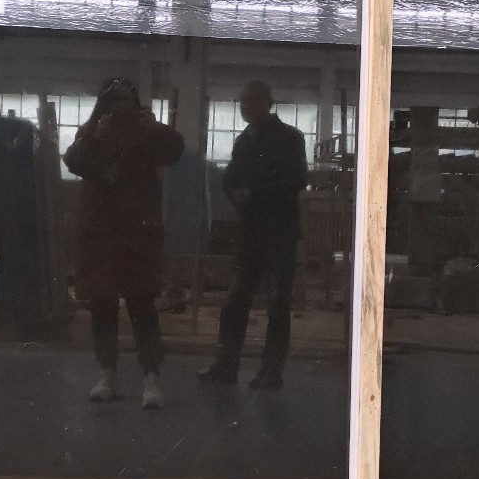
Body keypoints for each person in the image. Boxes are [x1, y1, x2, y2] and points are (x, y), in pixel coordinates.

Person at [63, 79, 185, 409]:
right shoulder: (92, 129)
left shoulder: (147, 131)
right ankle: (108, 374)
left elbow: (175, 150)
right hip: (101, 231)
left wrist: (156, 128)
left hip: (137, 232)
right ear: (104, 103)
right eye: (114, 100)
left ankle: (151, 378)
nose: (120, 107)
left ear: (136, 102)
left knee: (142, 305)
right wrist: (96, 136)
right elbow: (73, 160)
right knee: (103, 305)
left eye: (126, 100)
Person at [198, 81, 307, 389]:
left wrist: (253, 194)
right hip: (250, 232)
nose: (244, 108)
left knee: (277, 304)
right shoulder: (244, 141)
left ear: (267, 104)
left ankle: (270, 372)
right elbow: (231, 177)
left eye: (250, 102)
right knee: (235, 302)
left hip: (279, 232)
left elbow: (298, 179)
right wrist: (235, 192)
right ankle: (226, 366)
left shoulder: (290, 138)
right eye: (242, 103)